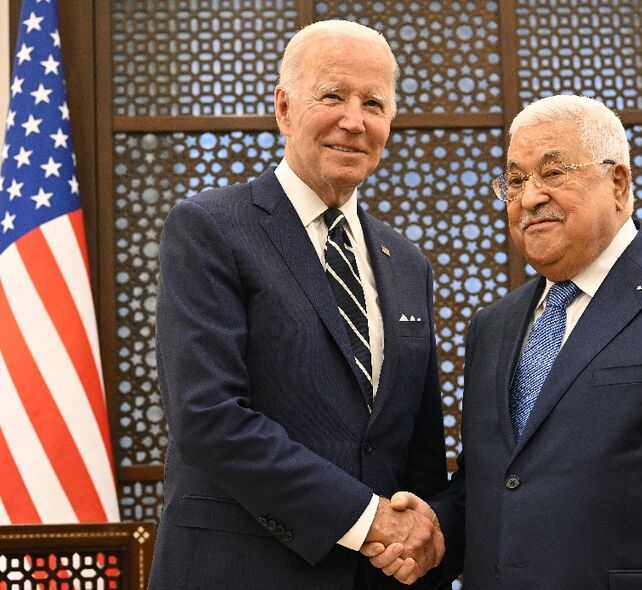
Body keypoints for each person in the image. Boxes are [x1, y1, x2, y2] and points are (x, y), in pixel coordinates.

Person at [367, 94, 642, 588]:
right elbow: (495, 484)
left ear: (618, 183)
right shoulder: (493, 325)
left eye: (553, 174)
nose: (529, 198)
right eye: (514, 180)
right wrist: (436, 532)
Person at [148, 20, 448, 590]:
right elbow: (209, 418)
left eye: (374, 103)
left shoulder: (408, 262)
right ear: (284, 109)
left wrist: (421, 541)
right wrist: (368, 521)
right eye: (332, 96)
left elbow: (419, 448)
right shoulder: (210, 228)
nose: (353, 121)